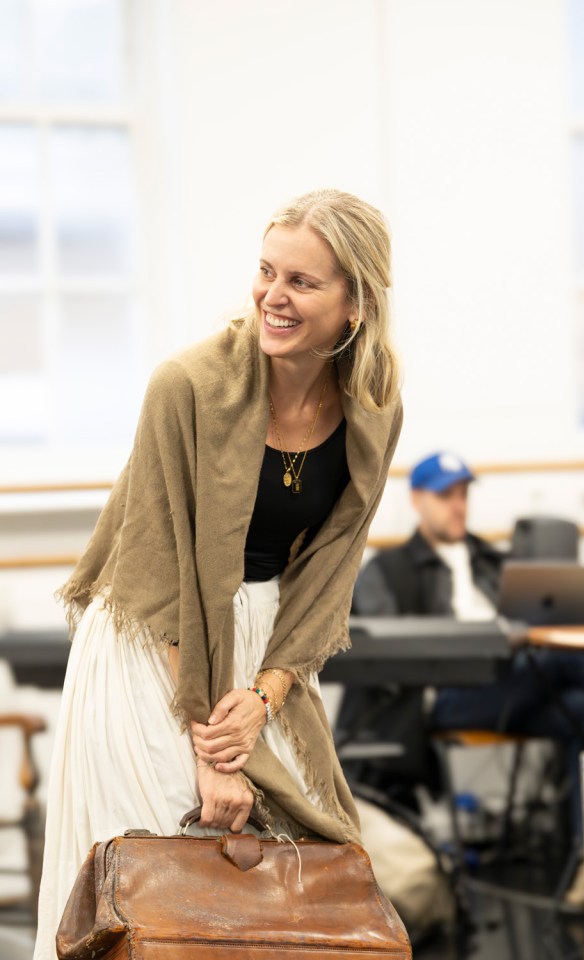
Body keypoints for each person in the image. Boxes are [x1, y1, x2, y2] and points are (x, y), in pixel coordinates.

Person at [34, 188, 403, 958]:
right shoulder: (188, 386)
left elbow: (331, 572)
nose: (273, 296)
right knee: (155, 887)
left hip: (261, 651)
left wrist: (264, 694)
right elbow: (157, 574)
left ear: (357, 304)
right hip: (153, 646)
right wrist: (212, 749)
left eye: (302, 282)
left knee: (280, 883)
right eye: (267, 272)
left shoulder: (374, 404)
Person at [340, 450, 584, 905]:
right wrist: (483, 639)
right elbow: (387, 647)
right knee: (564, 662)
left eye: (462, 494)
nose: (457, 505)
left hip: (518, 683)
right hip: (448, 694)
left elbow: (551, 599)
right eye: (445, 495)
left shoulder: (491, 561)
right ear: (418, 499)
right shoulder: (388, 570)